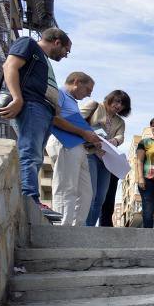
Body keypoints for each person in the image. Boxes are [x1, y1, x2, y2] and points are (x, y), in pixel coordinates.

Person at [0, 28, 71, 215]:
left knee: (35, 155)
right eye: (66, 50)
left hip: (44, 111)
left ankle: (32, 199)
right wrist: (17, 98)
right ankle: (29, 199)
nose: (66, 55)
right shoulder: (28, 43)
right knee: (30, 152)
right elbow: (9, 66)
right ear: (57, 42)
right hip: (32, 106)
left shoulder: (44, 60)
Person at [45, 72, 102, 225]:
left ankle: (76, 227)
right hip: (65, 144)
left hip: (78, 146)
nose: (89, 94)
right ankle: (62, 227)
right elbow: (54, 118)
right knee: (66, 187)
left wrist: (90, 138)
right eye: (88, 89)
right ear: (76, 82)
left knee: (86, 192)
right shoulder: (60, 93)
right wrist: (84, 132)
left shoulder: (73, 101)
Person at [82, 90, 131, 226]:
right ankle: (84, 227)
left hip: (107, 158)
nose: (118, 106)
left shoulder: (120, 122)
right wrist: (91, 135)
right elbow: (78, 119)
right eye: (117, 101)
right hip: (90, 153)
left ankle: (91, 227)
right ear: (110, 99)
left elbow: (121, 136)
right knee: (90, 194)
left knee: (100, 198)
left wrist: (115, 141)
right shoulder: (95, 106)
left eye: (122, 104)